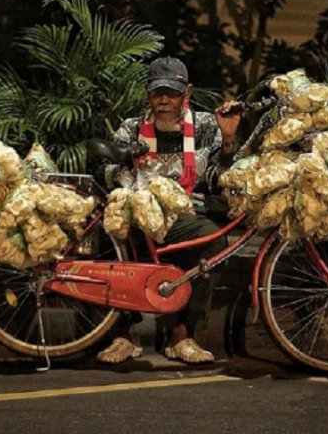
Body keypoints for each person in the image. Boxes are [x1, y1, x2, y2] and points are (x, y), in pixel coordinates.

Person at [95, 56, 241, 364]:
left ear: (186, 94)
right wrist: (128, 170)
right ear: (148, 94)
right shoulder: (131, 128)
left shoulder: (205, 127)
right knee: (112, 234)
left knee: (212, 240)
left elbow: (219, 180)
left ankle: (182, 335)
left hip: (187, 214)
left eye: (172, 93)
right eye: (157, 92)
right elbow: (104, 171)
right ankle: (123, 334)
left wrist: (228, 141)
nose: (164, 100)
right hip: (140, 214)